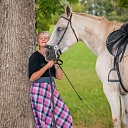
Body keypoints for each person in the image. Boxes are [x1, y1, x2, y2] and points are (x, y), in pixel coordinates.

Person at [28, 31, 74, 128]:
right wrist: (47, 66)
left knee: (65, 114)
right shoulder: (35, 56)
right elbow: (32, 78)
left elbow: (59, 77)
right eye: (41, 38)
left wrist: (56, 64)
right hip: (39, 90)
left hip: (51, 89)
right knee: (44, 118)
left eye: (46, 38)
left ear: (49, 41)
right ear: (38, 41)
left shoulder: (52, 56)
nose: (43, 39)